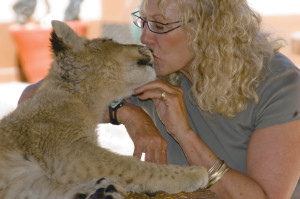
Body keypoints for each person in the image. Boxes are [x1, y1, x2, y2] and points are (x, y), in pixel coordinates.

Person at [18, 0, 300, 198]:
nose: (145, 37)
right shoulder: (155, 71)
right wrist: (126, 114)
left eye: (160, 26)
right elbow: (32, 100)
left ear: (208, 28)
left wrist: (184, 134)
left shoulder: (280, 86)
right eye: (144, 22)